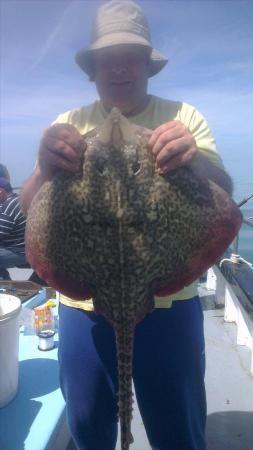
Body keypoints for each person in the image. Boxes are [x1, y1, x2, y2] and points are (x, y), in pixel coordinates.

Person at [20, 1, 233, 449]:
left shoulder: (184, 118)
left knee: (178, 431)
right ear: (93, 70)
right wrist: (42, 168)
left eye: (130, 58)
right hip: (82, 308)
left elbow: (223, 196)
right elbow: (28, 209)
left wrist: (194, 160)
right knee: (87, 426)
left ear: (148, 66)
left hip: (171, 306)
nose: (119, 70)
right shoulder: (68, 124)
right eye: (107, 60)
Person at [0, 174, 27, 280]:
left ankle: (3, 283)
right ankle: (4, 281)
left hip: (19, 251)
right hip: (21, 249)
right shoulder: (16, 200)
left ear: (1, 191)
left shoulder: (9, 206)